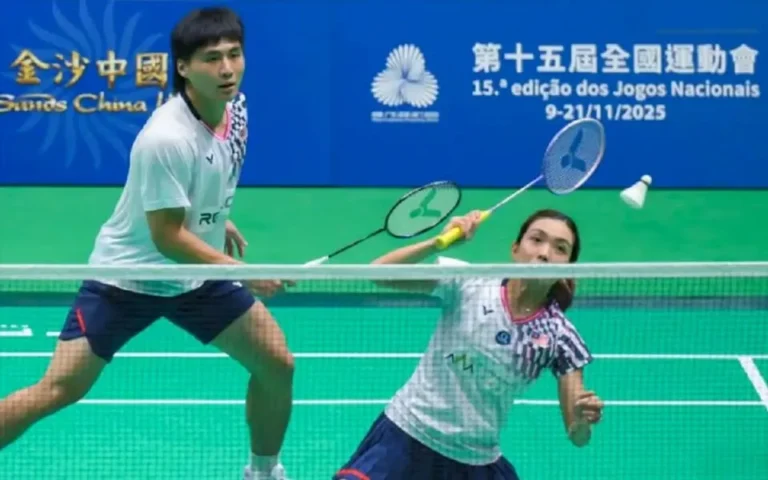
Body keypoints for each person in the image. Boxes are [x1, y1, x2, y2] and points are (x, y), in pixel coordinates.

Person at [0, 7, 293, 480]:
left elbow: (201, 184)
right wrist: (244, 273)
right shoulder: (165, 139)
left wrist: (216, 217)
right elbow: (168, 237)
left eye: (234, 55)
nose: (227, 69)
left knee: (277, 363)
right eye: (212, 59)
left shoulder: (234, 110)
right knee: (57, 389)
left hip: (194, 279)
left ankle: (263, 471)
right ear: (183, 67)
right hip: (128, 278)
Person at [334, 209, 604, 479]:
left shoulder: (561, 336)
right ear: (515, 248)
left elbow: (578, 436)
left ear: (569, 267)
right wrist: (437, 243)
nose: (545, 253)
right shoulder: (469, 282)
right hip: (405, 438)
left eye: (560, 248)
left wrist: (581, 422)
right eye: (536, 239)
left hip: (473, 462)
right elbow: (379, 273)